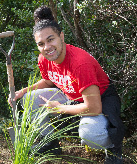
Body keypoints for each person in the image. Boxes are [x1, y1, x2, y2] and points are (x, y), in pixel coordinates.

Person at [10, 6, 125, 163]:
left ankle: (113, 148)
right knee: (28, 99)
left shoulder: (80, 63)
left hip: (101, 101)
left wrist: (60, 108)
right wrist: (22, 91)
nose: (46, 47)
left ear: (61, 36)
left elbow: (94, 107)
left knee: (90, 135)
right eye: (41, 44)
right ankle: (50, 143)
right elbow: (49, 80)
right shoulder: (44, 59)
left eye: (50, 40)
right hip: (71, 96)